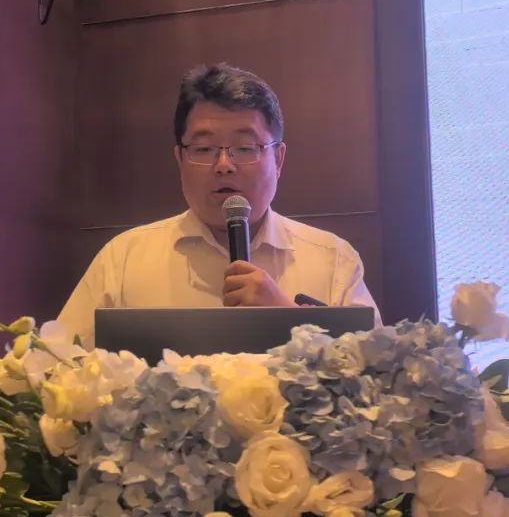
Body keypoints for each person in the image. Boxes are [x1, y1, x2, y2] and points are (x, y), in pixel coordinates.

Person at [56, 63, 380, 345]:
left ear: (278, 159)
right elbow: (57, 369)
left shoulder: (332, 260)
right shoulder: (123, 260)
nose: (224, 165)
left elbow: (376, 377)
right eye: (203, 149)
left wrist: (287, 318)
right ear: (180, 159)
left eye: (245, 147)